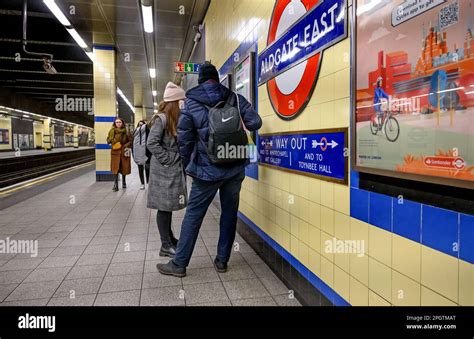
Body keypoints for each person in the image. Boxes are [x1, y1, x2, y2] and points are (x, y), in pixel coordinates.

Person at [157, 62, 262, 277]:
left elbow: (184, 141)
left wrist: (189, 166)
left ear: (201, 80)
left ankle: (179, 264)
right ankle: (222, 260)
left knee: (194, 215)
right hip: (234, 167)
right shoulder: (235, 97)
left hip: (206, 171)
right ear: (217, 78)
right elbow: (256, 123)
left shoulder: (191, 103)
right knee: (229, 213)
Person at [147, 82, 188, 258]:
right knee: (163, 207)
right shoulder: (161, 119)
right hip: (163, 170)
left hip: (170, 170)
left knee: (168, 206)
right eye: (181, 101)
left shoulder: (174, 119)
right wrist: (168, 159)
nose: (183, 104)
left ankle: (170, 239)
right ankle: (165, 245)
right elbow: (151, 143)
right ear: (174, 102)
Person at [106, 118, 132, 192]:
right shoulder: (111, 131)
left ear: (122, 123)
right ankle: (115, 184)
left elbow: (131, 141)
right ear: (115, 123)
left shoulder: (126, 132)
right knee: (115, 169)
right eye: (117, 122)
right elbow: (108, 140)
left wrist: (125, 146)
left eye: (119, 122)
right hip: (115, 153)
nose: (118, 123)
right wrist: (111, 140)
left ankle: (124, 181)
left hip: (124, 152)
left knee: (124, 167)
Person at [132, 120, 151, 190]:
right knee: (140, 169)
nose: (141, 126)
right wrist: (133, 154)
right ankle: (142, 183)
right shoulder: (135, 133)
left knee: (147, 169)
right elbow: (132, 144)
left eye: (142, 124)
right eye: (140, 125)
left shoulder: (148, 133)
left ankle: (148, 182)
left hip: (146, 153)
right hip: (138, 153)